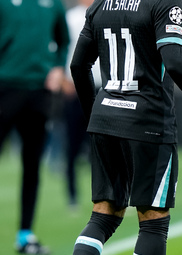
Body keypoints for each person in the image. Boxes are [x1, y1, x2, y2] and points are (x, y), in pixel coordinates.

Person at [70, 0, 182, 254]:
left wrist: (95, 115)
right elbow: (174, 63)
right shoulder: (164, 3)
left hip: (105, 119)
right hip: (148, 123)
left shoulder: (101, 4)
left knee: (104, 216)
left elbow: (78, 65)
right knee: (153, 222)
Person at [0, 0, 70, 254]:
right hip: (5, 88)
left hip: (39, 92)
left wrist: (58, 67)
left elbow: (63, 41)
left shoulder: (53, 5)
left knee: (32, 166)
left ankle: (25, 235)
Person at [63, 0, 101, 208]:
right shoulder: (71, 18)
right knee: (72, 145)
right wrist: (63, 78)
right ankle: (72, 195)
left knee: (104, 145)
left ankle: (109, 193)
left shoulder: (103, 12)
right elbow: (61, 47)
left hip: (101, 86)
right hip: (75, 88)